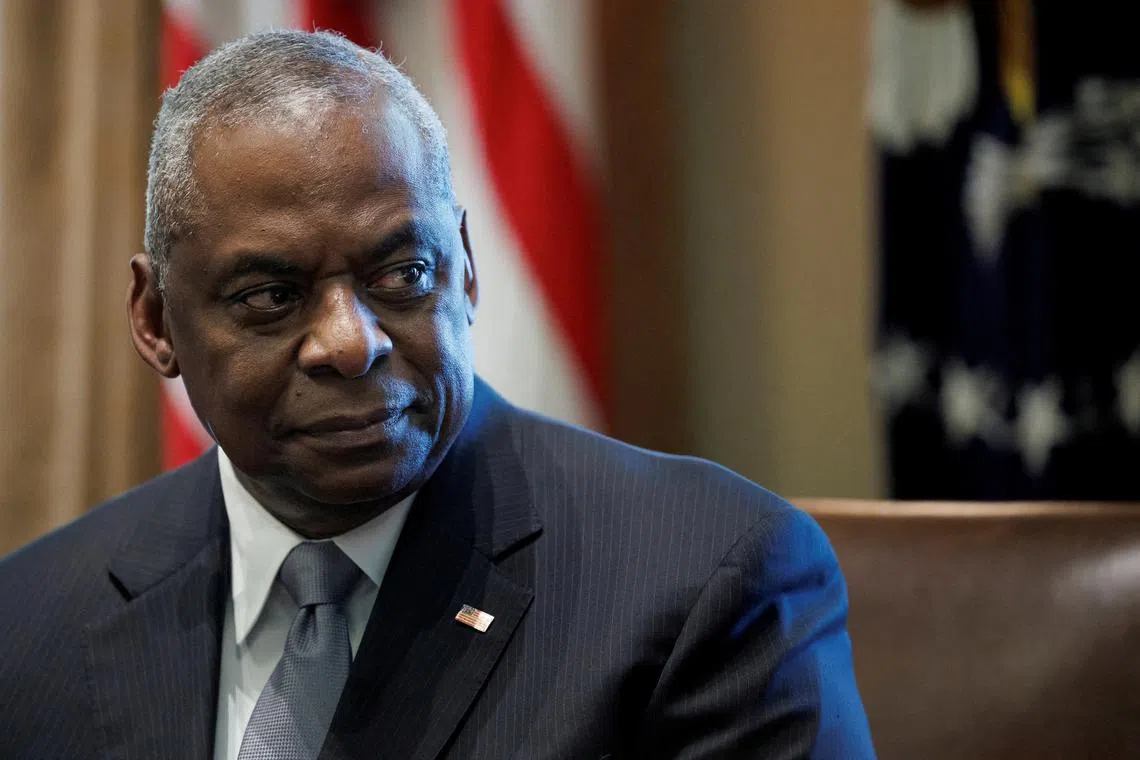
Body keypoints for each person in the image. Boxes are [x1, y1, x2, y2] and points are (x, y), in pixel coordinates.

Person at [0, 31, 875, 759]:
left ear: (464, 269)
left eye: (402, 273)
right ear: (156, 321)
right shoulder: (29, 626)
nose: (351, 342)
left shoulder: (704, 584)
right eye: (272, 295)